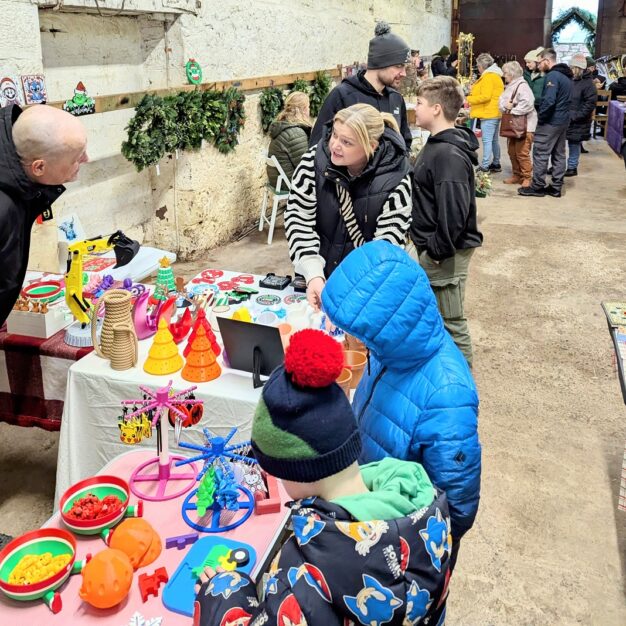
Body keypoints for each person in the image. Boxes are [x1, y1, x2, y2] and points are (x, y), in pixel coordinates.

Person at [194, 329, 453, 626]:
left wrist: (223, 592)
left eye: (276, 472)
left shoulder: (301, 574)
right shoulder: (427, 503)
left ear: (300, 473)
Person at [323, 240, 481, 556]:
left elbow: (456, 508)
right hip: (369, 508)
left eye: (359, 331)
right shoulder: (391, 348)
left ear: (386, 325)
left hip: (399, 549)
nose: (354, 339)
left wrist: (420, 566)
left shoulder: (448, 398)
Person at [285, 103, 411, 310]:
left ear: (371, 146)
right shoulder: (312, 163)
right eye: (334, 135)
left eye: (347, 142)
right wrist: (313, 274)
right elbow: (298, 219)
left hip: (366, 288)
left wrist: (359, 290)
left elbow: (387, 245)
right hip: (317, 275)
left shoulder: (396, 179)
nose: (334, 145)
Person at [406, 76, 483, 367]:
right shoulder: (437, 144)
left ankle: (462, 386)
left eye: (421, 103)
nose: (415, 108)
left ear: (437, 109)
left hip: (444, 251)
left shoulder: (447, 154)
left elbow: (454, 212)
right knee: (438, 313)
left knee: (451, 318)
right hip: (435, 246)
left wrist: (437, 251)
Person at [0, 104, 88, 326]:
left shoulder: (14, 176)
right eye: (76, 157)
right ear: (38, 167)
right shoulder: (4, 209)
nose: (86, 159)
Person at [310, 21, 412, 151]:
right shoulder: (342, 95)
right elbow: (318, 147)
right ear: (380, 63)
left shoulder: (396, 99)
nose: (403, 73)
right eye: (399, 66)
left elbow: (404, 143)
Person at [518, 48, 572, 198]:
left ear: (547, 61)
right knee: (559, 154)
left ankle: (537, 187)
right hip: (562, 122)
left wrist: (541, 117)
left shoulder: (553, 76)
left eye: (540, 62)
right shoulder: (566, 76)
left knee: (540, 153)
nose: (539, 65)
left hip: (550, 122)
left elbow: (549, 101)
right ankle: (556, 187)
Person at [499, 60, 537, 187]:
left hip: (525, 126)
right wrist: (507, 107)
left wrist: (511, 109)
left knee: (522, 153)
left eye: (505, 73)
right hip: (513, 125)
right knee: (512, 152)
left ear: (512, 73)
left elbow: (528, 104)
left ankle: (527, 177)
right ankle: (517, 175)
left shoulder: (522, 86)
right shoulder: (512, 86)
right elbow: (502, 102)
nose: (504, 75)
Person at [466, 52, 504, 172]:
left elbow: (485, 96)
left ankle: (485, 165)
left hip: (488, 112)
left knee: (487, 141)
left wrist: (469, 99)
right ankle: (496, 163)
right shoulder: (495, 75)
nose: (478, 68)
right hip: (494, 112)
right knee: (493, 140)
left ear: (482, 66)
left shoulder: (488, 76)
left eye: (478, 65)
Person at [266, 91, 311, 187]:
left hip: (278, 179)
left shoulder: (284, 124)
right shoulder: (295, 133)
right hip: (287, 182)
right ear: (303, 109)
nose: (309, 110)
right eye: (308, 107)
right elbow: (304, 166)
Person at [565, 54, 597, 177]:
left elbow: (590, 104)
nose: (570, 70)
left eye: (572, 68)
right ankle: (558, 165)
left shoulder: (588, 84)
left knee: (574, 143)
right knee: (562, 143)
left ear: (578, 68)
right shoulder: (571, 80)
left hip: (578, 120)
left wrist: (576, 116)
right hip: (567, 117)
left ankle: (572, 167)